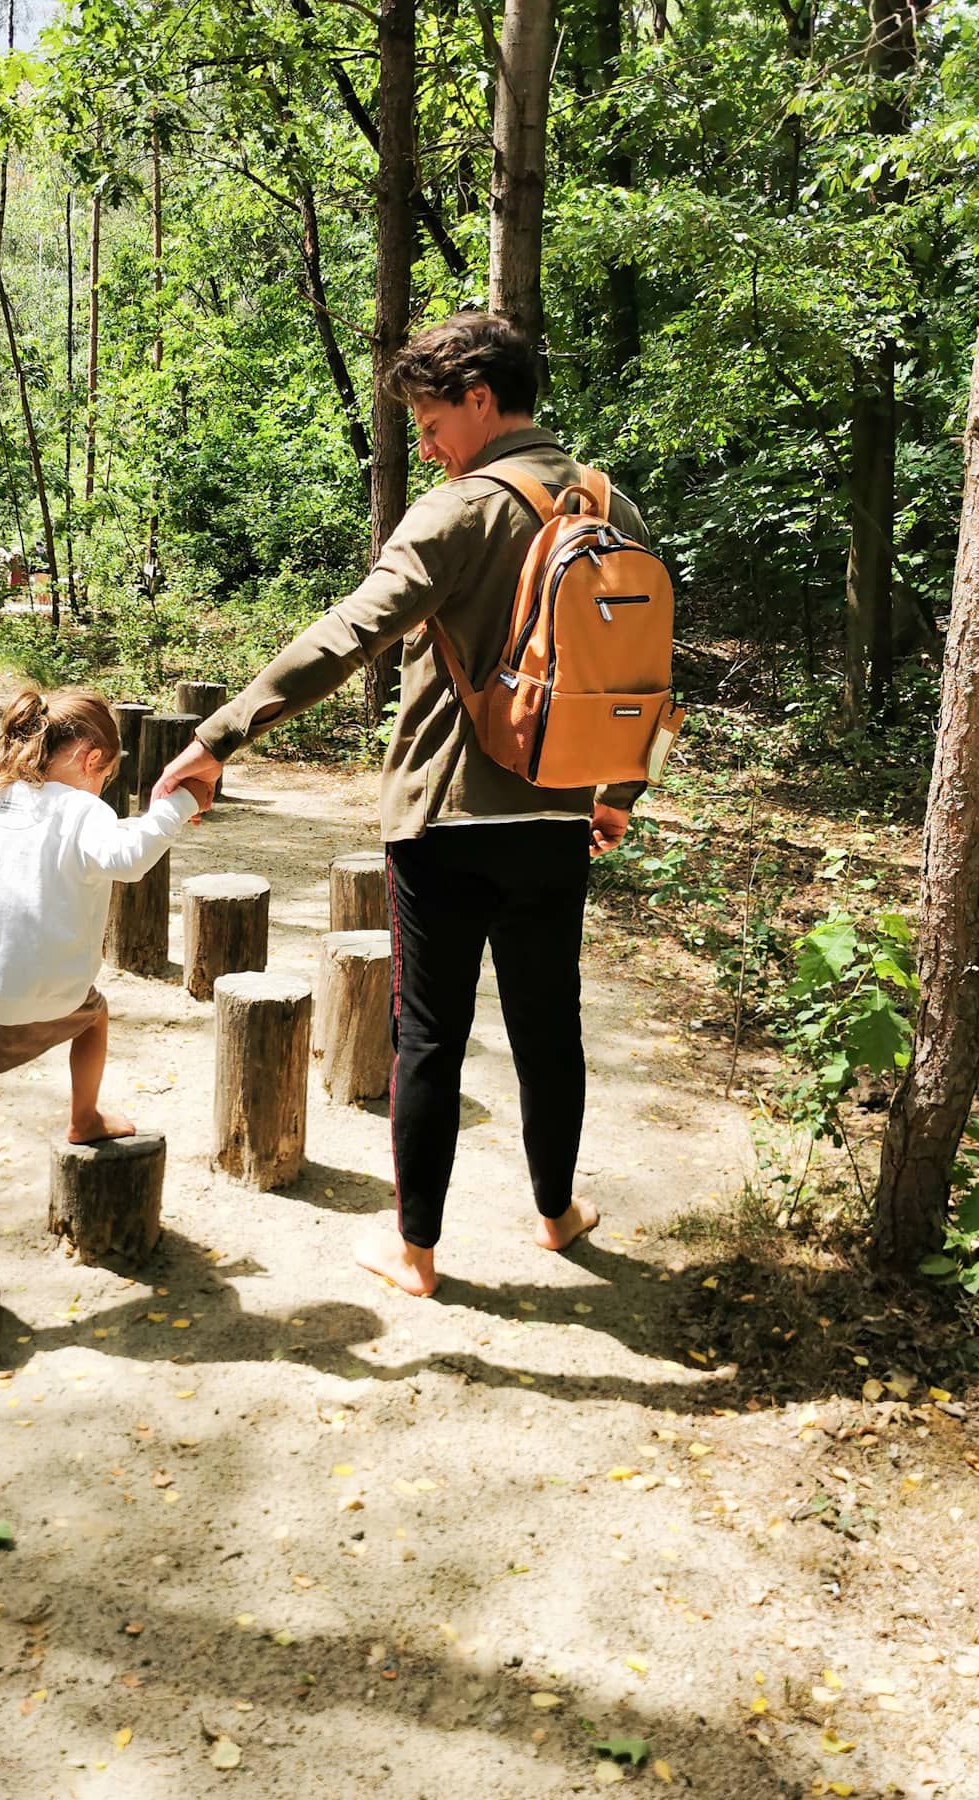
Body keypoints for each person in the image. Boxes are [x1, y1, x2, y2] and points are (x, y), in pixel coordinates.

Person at [154, 311, 649, 1298]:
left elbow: (349, 636)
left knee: (429, 1034)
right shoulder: (610, 504)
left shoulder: (460, 511)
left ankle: (416, 1253)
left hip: (446, 820)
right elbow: (639, 664)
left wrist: (218, 737)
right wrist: (617, 792)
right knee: (551, 1031)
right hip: (559, 815)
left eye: (429, 421)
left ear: (479, 396)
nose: (423, 444)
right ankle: (557, 1215)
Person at [0, 687, 212, 1241]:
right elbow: (130, 858)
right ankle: (84, 1116)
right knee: (93, 1016)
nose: (101, 786)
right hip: (52, 989)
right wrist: (182, 802)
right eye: (105, 774)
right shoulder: (82, 808)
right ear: (93, 759)